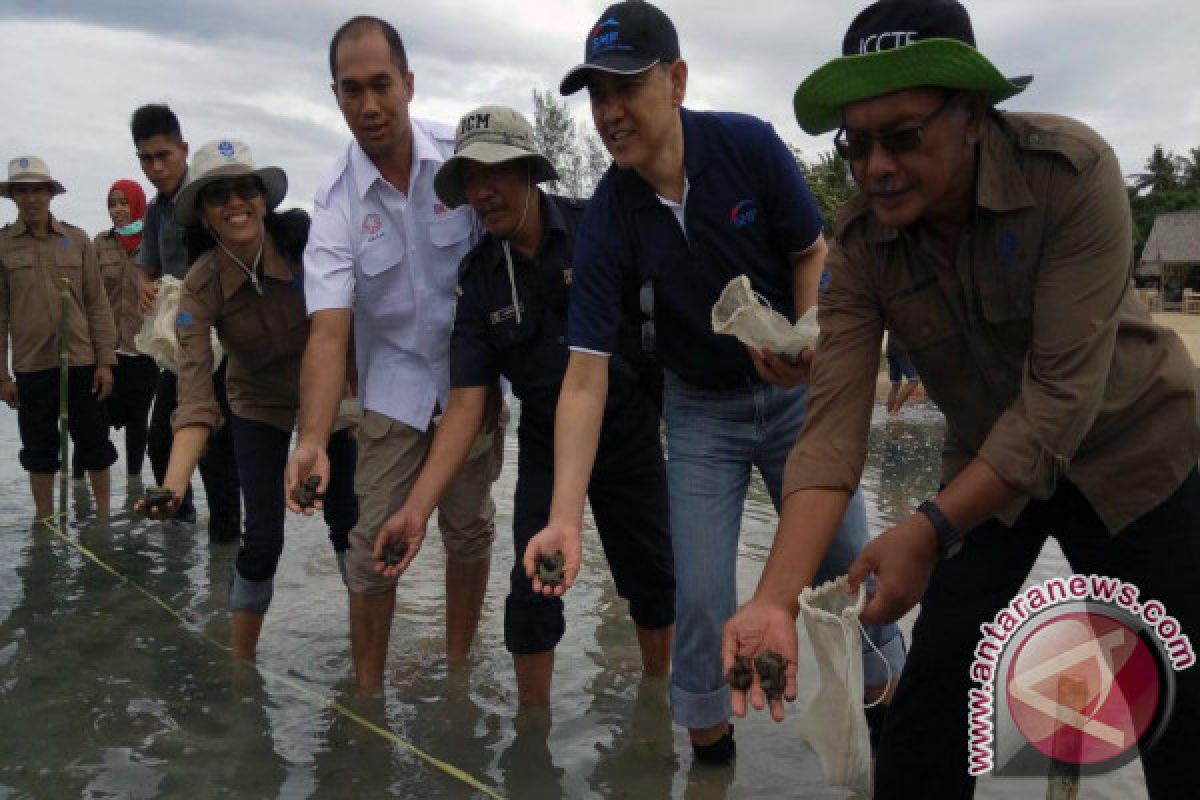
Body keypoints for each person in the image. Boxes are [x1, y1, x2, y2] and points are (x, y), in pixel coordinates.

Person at [722, 1, 1200, 797]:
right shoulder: (864, 244)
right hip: (988, 477)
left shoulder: (1072, 174)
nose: (876, 166)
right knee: (931, 706)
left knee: (1180, 709)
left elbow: (1057, 404)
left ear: (973, 115)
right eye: (858, 143)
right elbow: (833, 429)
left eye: (902, 137)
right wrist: (774, 600)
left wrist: (926, 528)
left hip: (1135, 459)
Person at [537, 0, 905, 763]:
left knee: (849, 575)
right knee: (699, 599)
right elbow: (584, 380)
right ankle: (711, 763)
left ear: (675, 81)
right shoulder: (609, 215)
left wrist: (808, 339)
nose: (608, 112)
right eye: (596, 95)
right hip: (699, 410)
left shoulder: (747, 146)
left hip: (798, 398)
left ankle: (891, 724)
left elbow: (812, 253)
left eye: (624, 88)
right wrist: (565, 519)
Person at [374, 106, 674, 707]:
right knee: (530, 590)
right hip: (543, 438)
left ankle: (655, 701)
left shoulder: (601, 229)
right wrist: (415, 511)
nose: (483, 192)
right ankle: (531, 742)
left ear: (529, 171)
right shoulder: (479, 278)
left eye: (496, 172)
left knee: (653, 581)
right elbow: (465, 408)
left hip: (627, 430)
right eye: (469, 181)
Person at [285, 16, 503, 688]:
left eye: (382, 85)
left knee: (469, 531)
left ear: (409, 84)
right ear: (336, 96)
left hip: (473, 386)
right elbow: (328, 331)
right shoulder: (335, 203)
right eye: (353, 90)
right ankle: (368, 693)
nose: (370, 105)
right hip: (391, 397)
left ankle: (460, 670)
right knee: (370, 543)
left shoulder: (463, 161)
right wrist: (314, 439)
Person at [135, 139, 358, 660]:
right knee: (262, 541)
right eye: (219, 195)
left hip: (326, 396)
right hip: (255, 402)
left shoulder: (307, 249)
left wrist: (333, 421)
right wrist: (171, 487)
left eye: (245, 189)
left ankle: (365, 652)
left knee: (347, 522)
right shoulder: (198, 287)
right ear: (204, 215)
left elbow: (348, 332)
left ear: (263, 198)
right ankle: (243, 672)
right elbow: (193, 401)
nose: (236, 203)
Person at [132, 103, 241, 538]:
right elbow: (147, 265)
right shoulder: (157, 210)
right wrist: (144, 283)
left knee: (218, 450)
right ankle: (180, 520)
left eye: (164, 156)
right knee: (159, 440)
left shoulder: (208, 201)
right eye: (146, 159)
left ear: (183, 150)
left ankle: (227, 543)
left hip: (224, 343)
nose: (156, 168)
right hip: (180, 346)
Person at [0, 155, 118, 519]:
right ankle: (44, 518)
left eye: (38, 190)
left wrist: (106, 362)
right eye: (23, 191)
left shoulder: (77, 240)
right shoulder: (2, 245)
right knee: (38, 448)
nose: (31, 198)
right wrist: (3, 376)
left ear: (50, 194)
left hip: (81, 361)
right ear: (14, 197)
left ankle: (101, 518)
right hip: (32, 364)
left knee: (94, 443)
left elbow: (97, 304)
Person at [75, 179, 159, 490]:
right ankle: (80, 493)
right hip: (104, 354)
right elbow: (87, 298)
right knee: (91, 428)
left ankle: (133, 496)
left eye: (124, 202)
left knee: (139, 427)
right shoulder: (99, 244)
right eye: (113, 203)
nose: (118, 209)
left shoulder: (154, 243)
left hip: (143, 353)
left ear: (137, 203)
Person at [884, 333, 919, 416]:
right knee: (914, 380)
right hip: (902, 347)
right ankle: (895, 411)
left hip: (891, 348)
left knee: (896, 384)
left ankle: (890, 413)